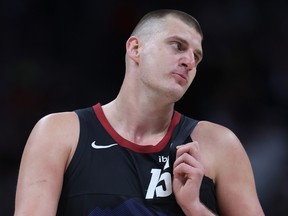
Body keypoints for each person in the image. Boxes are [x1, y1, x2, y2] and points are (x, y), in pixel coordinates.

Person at [14, 9, 265, 216]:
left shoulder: (219, 144)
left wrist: (195, 207)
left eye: (196, 57)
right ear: (135, 49)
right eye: (178, 46)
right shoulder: (58, 133)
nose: (189, 61)